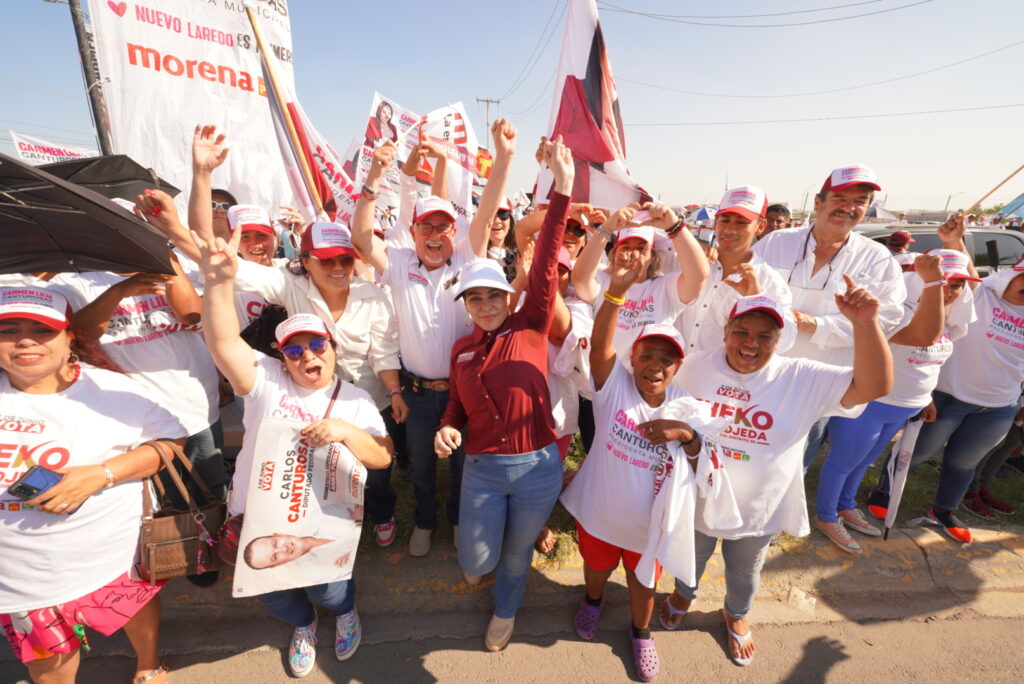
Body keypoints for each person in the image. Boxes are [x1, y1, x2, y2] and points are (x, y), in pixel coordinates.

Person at [192, 225, 392, 677]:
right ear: (281, 358)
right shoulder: (265, 380)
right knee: (274, 593)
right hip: (256, 517)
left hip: (323, 519)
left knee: (329, 589)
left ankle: (343, 614)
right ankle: (302, 626)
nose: (307, 356)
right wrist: (218, 281)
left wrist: (343, 431)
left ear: (333, 349)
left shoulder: (356, 401)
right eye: (295, 350)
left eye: (316, 345)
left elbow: (381, 457)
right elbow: (222, 342)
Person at [662, 289, 892, 666]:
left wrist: (865, 323)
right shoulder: (694, 366)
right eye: (742, 332)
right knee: (691, 557)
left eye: (765, 336)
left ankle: (736, 614)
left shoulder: (800, 375)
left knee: (744, 570)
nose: (751, 343)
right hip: (699, 497)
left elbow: (875, 386)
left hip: (759, 507)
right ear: (726, 331)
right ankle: (683, 596)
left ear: (779, 340)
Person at [0, 286, 185, 684]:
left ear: (70, 337)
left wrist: (100, 474)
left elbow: (171, 441)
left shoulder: (113, 390)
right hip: (21, 581)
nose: (26, 340)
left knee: (135, 608)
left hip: (111, 560)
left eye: (42, 329)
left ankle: (148, 662)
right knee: (49, 671)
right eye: (9, 329)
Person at [350, 119, 517, 557]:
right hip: (419, 393)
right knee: (422, 466)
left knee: (466, 463)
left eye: (443, 227)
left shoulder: (467, 256)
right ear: (415, 231)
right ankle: (424, 520)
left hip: (467, 388)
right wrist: (373, 179)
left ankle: (458, 519)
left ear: (452, 233)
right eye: (427, 227)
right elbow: (360, 238)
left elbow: (487, 210)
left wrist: (503, 157)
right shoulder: (400, 262)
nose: (435, 235)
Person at [430, 133, 568, 653]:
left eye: (494, 296)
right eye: (475, 298)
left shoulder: (530, 325)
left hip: (537, 467)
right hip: (483, 469)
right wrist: (448, 426)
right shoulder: (462, 351)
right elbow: (455, 408)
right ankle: (489, 573)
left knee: (515, 557)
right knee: (475, 561)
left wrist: (562, 190)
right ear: (465, 304)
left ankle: (506, 612)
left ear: (509, 297)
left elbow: (550, 254)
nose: (485, 305)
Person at [560, 251, 702, 681]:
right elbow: (602, 343)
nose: (654, 366)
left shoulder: (686, 407)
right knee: (597, 568)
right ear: (632, 360)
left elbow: (702, 464)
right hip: (600, 514)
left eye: (666, 359)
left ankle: (641, 633)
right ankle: (593, 601)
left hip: (649, 527)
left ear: (677, 366)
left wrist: (686, 435)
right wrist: (616, 294)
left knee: (643, 584)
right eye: (646, 356)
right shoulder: (612, 386)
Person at [815, 247, 977, 553]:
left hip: (905, 407)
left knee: (864, 461)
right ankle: (825, 516)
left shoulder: (947, 318)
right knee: (843, 461)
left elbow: (932, 363)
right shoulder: (897, 313)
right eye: (944, 283)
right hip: (871, 404)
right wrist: (933, 285)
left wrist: (926, 399)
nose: (950, 291)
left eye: (956, 285)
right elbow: (920, 338)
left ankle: (845, 505)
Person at [754, 164, 906, 469]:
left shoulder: (877, 260)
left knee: (792, 469)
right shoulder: (775, 243)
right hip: (762, 379)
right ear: (818, 202)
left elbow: (884, 324)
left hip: (819, 388)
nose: (849, 207)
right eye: (840, 198)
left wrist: (815, 325)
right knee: (747, 460)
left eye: (860, 201)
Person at [870, 253, 1024, 542]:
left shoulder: (962, 301)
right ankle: (883, 492)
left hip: (999, 406)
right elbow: (956, 266)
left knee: (964, 463)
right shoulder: (983, 297)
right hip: (948, 398)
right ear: (1009, 278)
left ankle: (945, 509)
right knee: (917, 451)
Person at [572, 202, 709, 361]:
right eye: (626, 247)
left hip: (647, 381)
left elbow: (698, 275)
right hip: (601, 381)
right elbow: (580, 280)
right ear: (614, 253)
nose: (633, 254)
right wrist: (606, 228)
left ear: (652, 256)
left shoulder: (664, 288)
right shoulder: (602, 280)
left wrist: (674, 226)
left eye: (641, 248)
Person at [676, 185, 795, 356]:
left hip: (718, 380)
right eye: (725, 220)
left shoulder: (768, 280)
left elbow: (785, 341)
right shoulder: (692, 261)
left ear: (760, 227)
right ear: (716, 222)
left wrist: (757, 301)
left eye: (742, 222)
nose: (730, 229)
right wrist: (691, 244)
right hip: (672, 375)